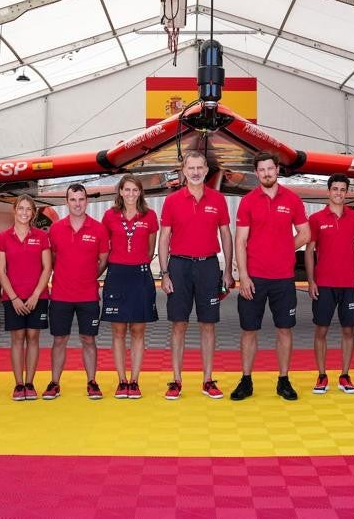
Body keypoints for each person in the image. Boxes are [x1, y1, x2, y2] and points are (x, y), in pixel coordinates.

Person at [231, 153, 310, 401]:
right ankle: (246, 380)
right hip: (254, 278)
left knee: (284, 330)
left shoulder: (293, 200)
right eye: (262, 170)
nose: (266, 173)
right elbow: (240, 240)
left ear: (277, 170)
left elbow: (305, 234)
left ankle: (283, 381)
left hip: (283, 278)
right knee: (248, 331)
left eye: (270, 169)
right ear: (257, 173)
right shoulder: (248, 201)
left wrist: (286, 248)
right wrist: (243, 276)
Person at [157, 151, 234, 400]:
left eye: (200, 167)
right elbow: (164, 237)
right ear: (183, 170)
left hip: (208, 267)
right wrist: (165, 273)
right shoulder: (172, 201)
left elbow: (226, 235)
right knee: (178, 324)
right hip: (178, 267)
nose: (196, 172)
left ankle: (208, 380)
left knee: (208, 325)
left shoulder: (218, 200)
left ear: (206, 170)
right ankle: (176, 380)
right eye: (191, 168)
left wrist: (228, 270)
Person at [304, 173, 354, 394]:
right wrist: (311, 281)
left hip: (349, 284)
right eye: (335, 189)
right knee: (321, 330)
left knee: (348, 330)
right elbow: (309, 251)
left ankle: (344, 375)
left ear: (346, 193)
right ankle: (322, 376)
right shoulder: (317, 219)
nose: (339, 193)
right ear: (328, 191)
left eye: (343, 190)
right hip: (323, 284)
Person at [46, 184, 109, 400]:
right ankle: (54, 383)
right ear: (67, 202)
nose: (77, 204)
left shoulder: (99, 228)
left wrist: (89, 275)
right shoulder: (55, 229)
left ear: (87, 201)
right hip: (61, 295)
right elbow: (52, 260)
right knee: (59, 340)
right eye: (73, 200)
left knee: (89, 339)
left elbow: (103, 260)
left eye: (81, 199)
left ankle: (92, 382)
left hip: (88, 295)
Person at [101, 175, 160, 399]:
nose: (131, 194)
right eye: (127, 190)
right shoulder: (109, 216)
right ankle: (121, 381)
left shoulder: (150, 216)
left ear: (140, 193)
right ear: (120, 192)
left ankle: (134, 381)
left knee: (137, 330)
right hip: (116, 275)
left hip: (140, 276)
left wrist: (136, 264)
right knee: (118, 331)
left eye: (135, 190)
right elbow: (105, 248)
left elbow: (150, 249)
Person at [0, 194, 52, 401]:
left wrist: (36, 295)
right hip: (13, 297)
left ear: (33, 213)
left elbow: (47, 268)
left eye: (29, 209)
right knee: (17, 339)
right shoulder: (3, 237)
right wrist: (14, 298)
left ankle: (30, 383)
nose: (24, 213)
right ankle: (19, 384)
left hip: (38, 296)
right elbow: (0, 271)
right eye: (21, 208)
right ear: (14, 210)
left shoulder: (42, 237)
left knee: (33, 338)